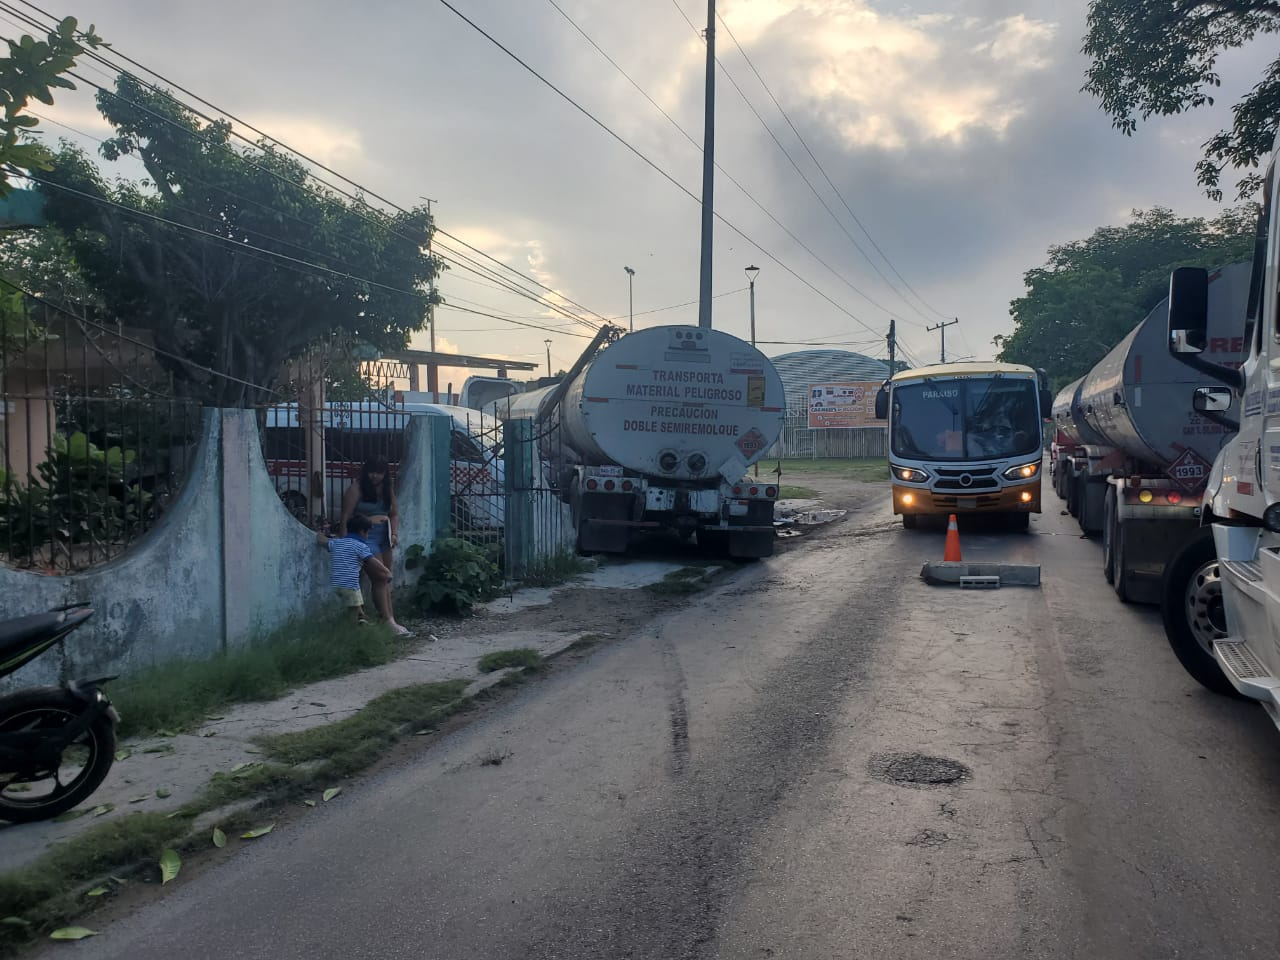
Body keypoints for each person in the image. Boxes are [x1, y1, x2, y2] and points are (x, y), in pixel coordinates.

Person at [316, 514, 411, 636]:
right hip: (350, 585)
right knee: (353, 610)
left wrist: (320, 533)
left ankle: (362, 617)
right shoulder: (360, 546)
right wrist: (386, 572)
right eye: (368, 533)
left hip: (336, 584)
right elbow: (373, 562)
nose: (367, 536)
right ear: (362, 532)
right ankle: (353, 632)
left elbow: (321, 540)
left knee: (355, 603)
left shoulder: (337, 543)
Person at [340, 456, 399, 575]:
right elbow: (345, 516)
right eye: (372, 472)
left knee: (387, 575)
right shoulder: (357, 488)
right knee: (380, 575)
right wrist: (345, 542)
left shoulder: (387, 489)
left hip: (385, 536)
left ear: (384, 474)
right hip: (366, 535)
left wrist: (394, 534)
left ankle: (388, 595)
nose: (375, 476)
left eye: (379, 473)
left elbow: (394, 514)